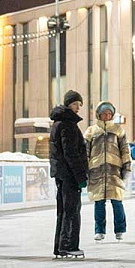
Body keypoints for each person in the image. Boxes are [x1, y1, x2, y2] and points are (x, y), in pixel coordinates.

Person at [49, 90, 88, 258]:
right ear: (67, 105)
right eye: (74, 104)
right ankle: (68, 245)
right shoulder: (67, 124)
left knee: (64, 210)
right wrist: (80, 177)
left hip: (63, 174)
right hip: (69, 175)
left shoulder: (60, 123)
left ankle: (60, 246)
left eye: (79, 105)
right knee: (71, 210)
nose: (78, 108)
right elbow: (71, 153)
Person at [85, 101, 130, 242]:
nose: (107, 115)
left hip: (114, 172)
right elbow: (85, 152)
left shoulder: (118, 130)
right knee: (99, 203)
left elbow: (125, 150)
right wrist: (85, 169)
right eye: (104, 113)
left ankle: (120, 229)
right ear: (99, 114)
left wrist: (126, 167)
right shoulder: (91, 131)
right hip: (96, 172)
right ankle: (99, 231)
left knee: (117, 202)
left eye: (109, 113)